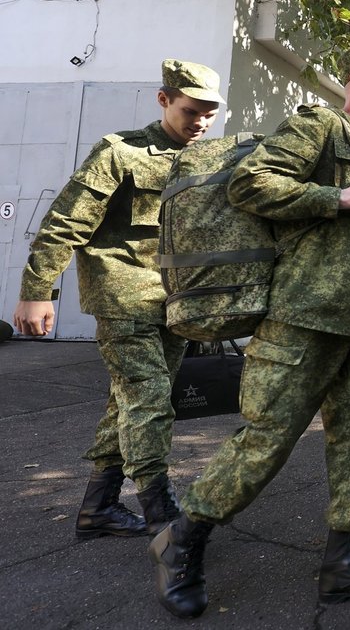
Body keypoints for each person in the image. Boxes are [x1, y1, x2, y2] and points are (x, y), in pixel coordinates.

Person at [148, 45, 350, 619]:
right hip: (302, 319)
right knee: (265, 442)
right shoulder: (318, 126)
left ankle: (345, 563)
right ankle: (182, 541)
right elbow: (250, 183)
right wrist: (335, 197)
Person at [12, 60, 223, 539]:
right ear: (164, 99)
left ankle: (98, 508)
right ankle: (160, 512)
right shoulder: (118, 152)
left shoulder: (203, 159)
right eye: (192, 111)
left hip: (176, 300)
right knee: (149, 399)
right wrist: (36, 292)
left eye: (210, 113)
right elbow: (65, 223)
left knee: (128, 402)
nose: (201, 122)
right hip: (123, 295)